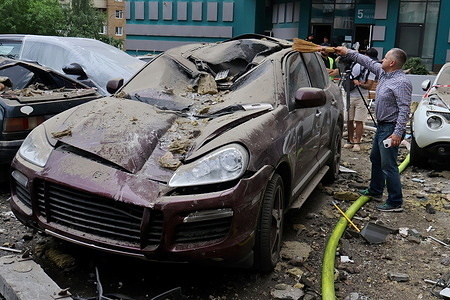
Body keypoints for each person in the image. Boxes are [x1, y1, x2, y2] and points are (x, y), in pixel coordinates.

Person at [334, 46, 412, 212]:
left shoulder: (402, 82)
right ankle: (376, 190)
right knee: (375, 158)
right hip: (382, 126)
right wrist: (347, 52)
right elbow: (367, 61)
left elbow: (405, 110)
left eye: (384, 58)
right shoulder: (385, 73)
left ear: (392, 62)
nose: (381, 60)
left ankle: (395, 202)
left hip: (391, 129)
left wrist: (397, 133)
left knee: (389, 165)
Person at [344, 48, 378, 152]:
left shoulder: (371, 68)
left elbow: (369, 85)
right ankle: (350, 140)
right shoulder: (354, 64)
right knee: (349, 119)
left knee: (359, 120)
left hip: (361, 96)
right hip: (350, 94)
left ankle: (357, 142)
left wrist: (360, 83)